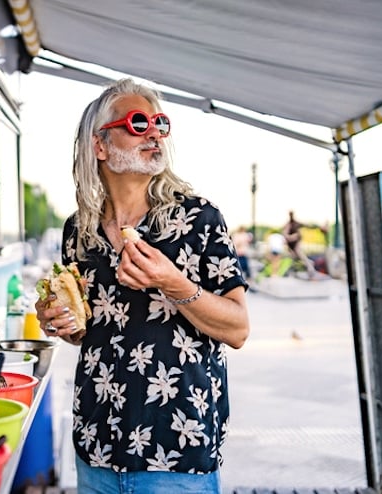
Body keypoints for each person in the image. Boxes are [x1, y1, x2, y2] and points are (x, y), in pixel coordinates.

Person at [35, 78, 250, 493]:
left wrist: (173, 284)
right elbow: (89, 332)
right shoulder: (78, 231)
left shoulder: (198, 219)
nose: (153, 132)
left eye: (159, 123)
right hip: (95, 444)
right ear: (100, 145)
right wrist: (62, 322)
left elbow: (238, 328)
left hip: (177, 451)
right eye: (137, 123)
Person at [282, 210, 316, 275]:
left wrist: (313, 226)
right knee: (294, 258)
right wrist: (291, 237)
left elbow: (307, 226)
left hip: (296, 244)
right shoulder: (288, 225)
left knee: (299, 254)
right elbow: (285, 236)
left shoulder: (296, 223)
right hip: (290, 245)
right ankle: (307, 264)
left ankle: (310, 267)